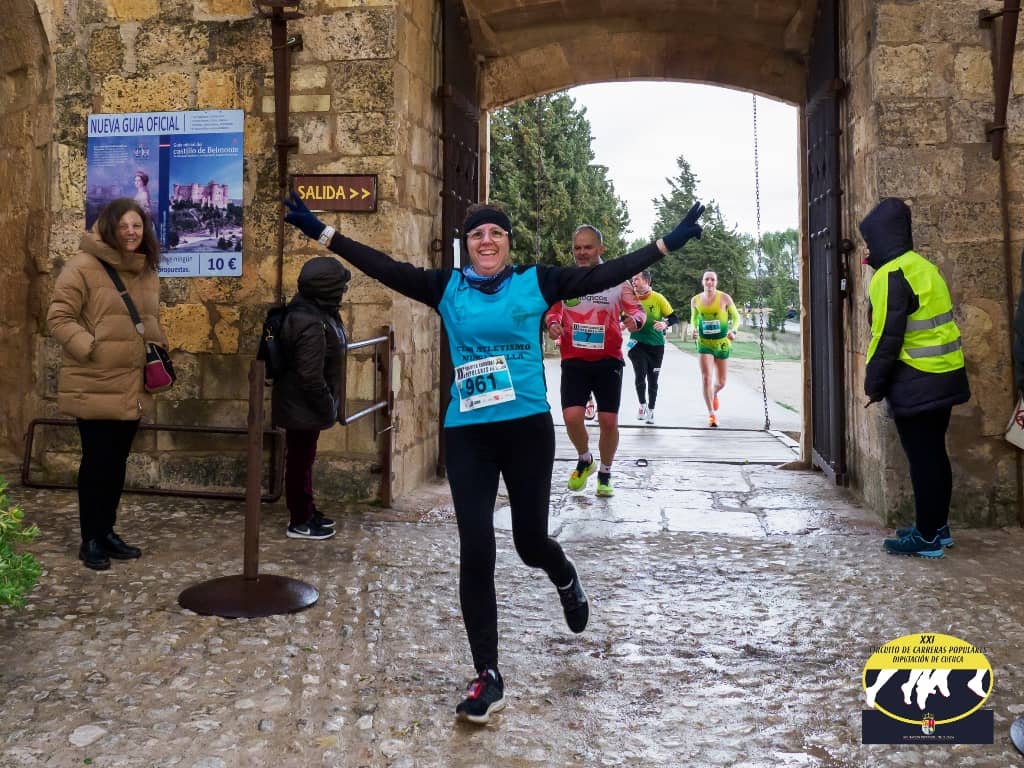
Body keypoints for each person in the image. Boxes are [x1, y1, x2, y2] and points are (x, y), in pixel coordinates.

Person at [283, 191, 704, 725]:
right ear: (467, 244)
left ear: (508, 243)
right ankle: (487, 674)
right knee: (476, 548)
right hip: (469, 433)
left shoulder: (536, 282)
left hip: (526, 430)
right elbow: (382, 266)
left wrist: (666, 244)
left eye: (496, 233)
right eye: (477, 234)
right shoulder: (447, 288)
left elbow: (606, 273)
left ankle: (564, 574)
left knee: (530, 543)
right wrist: (322, 232)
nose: (486, 241)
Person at [47, 198, 168, 571]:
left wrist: (158, 346)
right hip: (95, 380)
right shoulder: (82, 266)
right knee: (96, 462)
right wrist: (91, 348)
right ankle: (91, 538)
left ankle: (107, 530)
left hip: (132, 382)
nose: (131, 232)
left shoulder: (145, 269)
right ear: (109, 228)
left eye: (137, 226)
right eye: (124, 226)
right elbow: (59, 316)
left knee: (116, 462)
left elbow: (148, 319)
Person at [859, 197, 970, 557]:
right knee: (935, 454)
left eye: (869, 241)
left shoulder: (889, 275)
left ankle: (926, 537)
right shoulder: (924, 267)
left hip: (916, 380)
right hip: (944, 373)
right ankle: (937, 526)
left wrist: (874, 385)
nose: (867, 250)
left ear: (881, 237)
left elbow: (886, 339)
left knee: (923, 459)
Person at [545, 225, 646, 497]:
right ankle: (585, 459)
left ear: (601, 249)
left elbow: (638, 310)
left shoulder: (617, 280)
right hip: (574, 359)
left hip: (608, 361)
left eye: (588, 247)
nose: (581, 253)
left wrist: (635, 321)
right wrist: (552, 324)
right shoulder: (566, 279)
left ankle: (605, 472)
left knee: (608, 421)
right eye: (577, 248)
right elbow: (553, 312)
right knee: (571, 417)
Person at [271, 256, 351, 541]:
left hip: (302, 405)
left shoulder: (316, 312)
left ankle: (306, 509)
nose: (342, 292)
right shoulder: (309, 321)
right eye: (338, 287)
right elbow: (310, 375)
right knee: (299, 461)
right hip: (302, 405)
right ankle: (300, 520)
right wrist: (327, 406)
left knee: (303, 459)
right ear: (325, 288)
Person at [628, 269, 680, 424]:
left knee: (653, 379)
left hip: (656, 346)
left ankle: (651, 409)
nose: (633, 282)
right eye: (632, 280)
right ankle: (642, 405)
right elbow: (622, 315)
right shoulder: (630, 298)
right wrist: (624, 323)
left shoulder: (658, 298)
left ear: (646, 281)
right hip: (637, 344)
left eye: (636, 279)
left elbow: (674, 317)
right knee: (640, 375)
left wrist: (665, 324)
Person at [690, 270, 740, 427]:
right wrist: (693, 329)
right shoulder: (695, 300)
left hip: (722, 343)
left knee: (722, 382)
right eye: (707, 279)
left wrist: (734, 331)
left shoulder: (724, 298)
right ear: (702, 281)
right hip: (704, 343)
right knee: (706, 378)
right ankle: (711, 415)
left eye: (712, 279)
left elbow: (736, 317)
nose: (709, 282)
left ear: (716, 282)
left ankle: (714, 393)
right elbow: (693, 319)